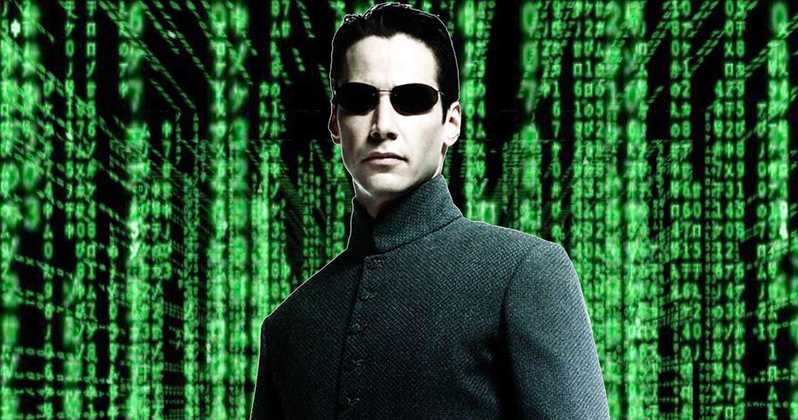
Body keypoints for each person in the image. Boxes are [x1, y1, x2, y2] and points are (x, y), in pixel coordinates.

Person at [250, 3, 609, 419]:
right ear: (334, 121)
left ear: (451, 123)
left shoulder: (525, 272)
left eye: (412, 99)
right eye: (359, 99)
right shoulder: (289, 325)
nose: (382, 125)